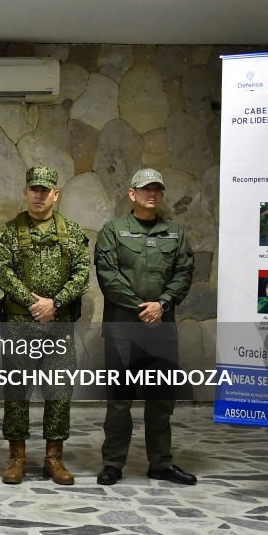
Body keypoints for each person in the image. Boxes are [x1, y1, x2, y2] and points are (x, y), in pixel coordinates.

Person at [95, 168, 197, 486]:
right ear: (132, 194)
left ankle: (161, 463)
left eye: (157, 189)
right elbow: (108, 277)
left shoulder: (175, 233)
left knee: (161, 399)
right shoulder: (113, 231)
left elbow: (183, 273)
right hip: (122, 330)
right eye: (145, 189)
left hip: (161, 330)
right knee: (119, 400)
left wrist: (162, 305)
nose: (151, 193)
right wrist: (144, 309)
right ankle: (113, 463)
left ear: (162, 194)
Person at [0, 166, 89, 486]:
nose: (39, 195)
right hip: (20, 325)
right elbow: (2, 272)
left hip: (59, 325)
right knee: (17, 392)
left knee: (59, 392)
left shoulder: (72, 232)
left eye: (45, 190)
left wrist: (55, 303)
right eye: (34, 189)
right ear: (25, 192)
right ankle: (16, 457)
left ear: (55, 195)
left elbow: (82, 274)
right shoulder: (9, 232)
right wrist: (34, 304)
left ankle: (53, 458)